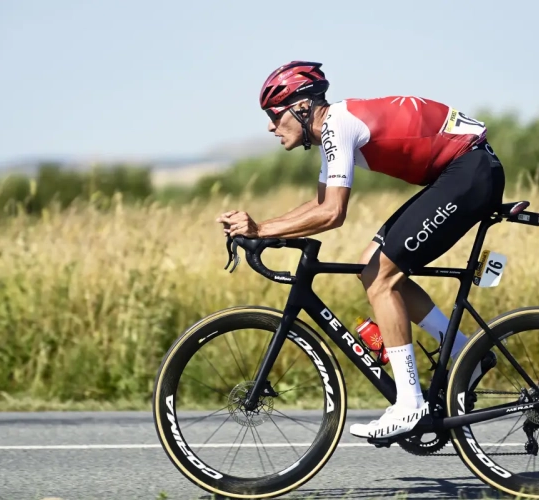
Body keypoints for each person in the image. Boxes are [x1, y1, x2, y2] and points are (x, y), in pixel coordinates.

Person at [216, 61, 504, 439]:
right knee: (370, 267)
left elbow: (333, 214)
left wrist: (262, 229)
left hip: (469, 171)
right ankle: (467, 354)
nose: (270, 126)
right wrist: (263, 230)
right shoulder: (335, 128)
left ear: (302, 108)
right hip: (463, 170)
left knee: (382, 278)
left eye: (273, 115)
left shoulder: (338, 126)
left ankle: (410, 404)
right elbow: (320, 205)